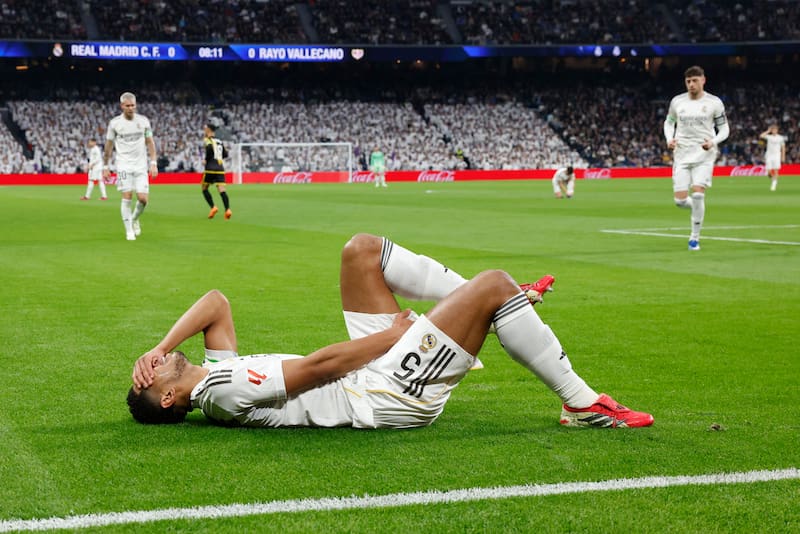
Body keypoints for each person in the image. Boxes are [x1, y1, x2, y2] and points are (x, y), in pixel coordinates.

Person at [128, 233, 654, 430]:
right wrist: (400, 334)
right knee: (493, 285)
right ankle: (579, 402)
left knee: (359, 251)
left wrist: (161, 346)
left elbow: (216, 303)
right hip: (383, 394)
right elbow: (320, 367)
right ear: (170, 399)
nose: (150, 368)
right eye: (150, 377)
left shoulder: (213, 368)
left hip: (369, 369)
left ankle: (499, 306)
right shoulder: (222, 393)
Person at [663, 65, 729, 251]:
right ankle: (697, 207)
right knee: (680, 201)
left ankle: (694, 238)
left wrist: (714, 141)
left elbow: (725, 129)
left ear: (703, 80)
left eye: (694, 80)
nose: (691, 84)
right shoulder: (677, 102)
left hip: (704, 154)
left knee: (698, 193)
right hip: (682, 154)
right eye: (688, 81)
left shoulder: (714, 103)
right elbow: (668, 123)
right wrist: (670, 138)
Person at [103, 92, 158, 241]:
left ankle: (134, 219)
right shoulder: (114, 124)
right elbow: (108, 146)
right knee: (127, 196)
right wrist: (105, 166)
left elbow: (150, 142)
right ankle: (129, 231)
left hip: (141, 166)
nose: (130, 108)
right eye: (127, 106)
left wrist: (153, 162)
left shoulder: (144, 121)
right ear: (122, 106)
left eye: (133, 105)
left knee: (143, 199)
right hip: (123, 166)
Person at [201, 123, 232, 219]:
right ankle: (227, 210)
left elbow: (209, 148)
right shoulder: (219, 141)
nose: (204, 129)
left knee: (204, 188)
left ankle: (213, 207)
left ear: (209, 130)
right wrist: (218, 157)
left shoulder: (207, 140)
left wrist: (206, 159)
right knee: (222, 190)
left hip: (210, 168)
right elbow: (226, 154)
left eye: (205, 128)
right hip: (220, 168)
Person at [759, 124, 787, 192]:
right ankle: (773, 180)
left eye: (775, 129)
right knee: (768, 172)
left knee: (776, 170)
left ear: (777, 130)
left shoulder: (780, 138)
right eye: (773, 129)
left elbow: (783, 148)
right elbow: (761, 136)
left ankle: (774, 184)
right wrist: (768, 131)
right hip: (769, 155)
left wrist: (783, 157)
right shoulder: (769, 137)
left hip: (777, 155)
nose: (774, 131)